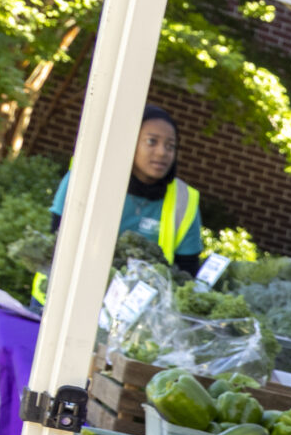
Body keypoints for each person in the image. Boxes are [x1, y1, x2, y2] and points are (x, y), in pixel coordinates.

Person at [43, 105, 203, 302]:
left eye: (170, 146)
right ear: (129, 141)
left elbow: (187, 274)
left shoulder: (184, 200)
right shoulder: (88, 176)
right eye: (152, 142)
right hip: (62, 299)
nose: (162, 152)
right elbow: (56, 242)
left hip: (137, 315)